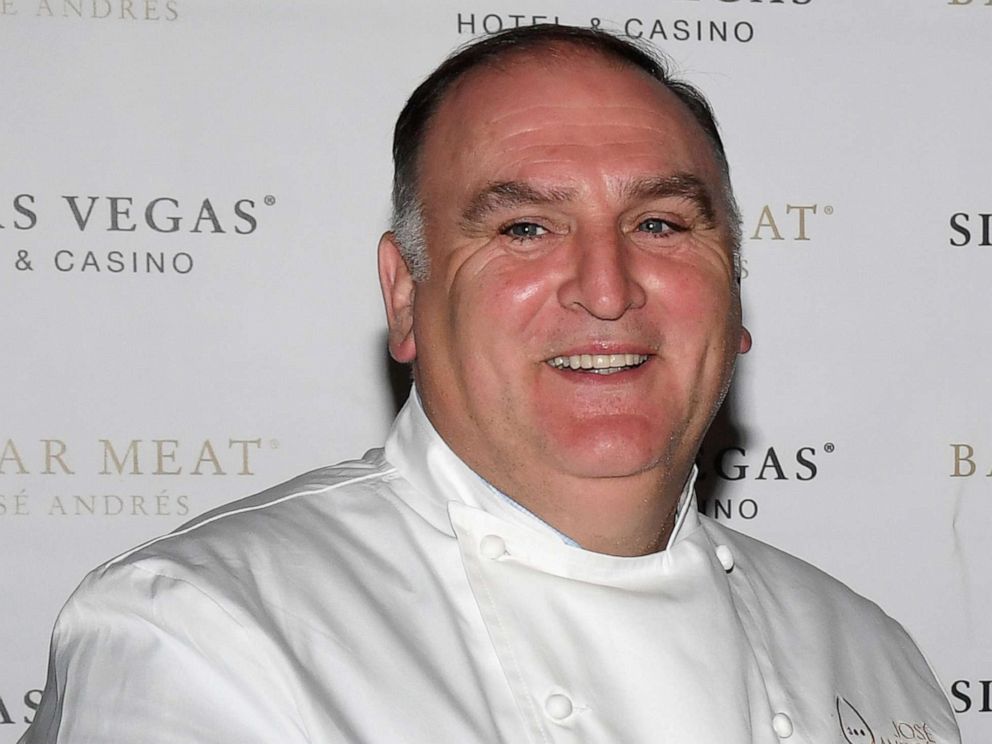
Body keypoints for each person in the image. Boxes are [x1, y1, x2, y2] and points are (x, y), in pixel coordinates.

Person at [21, 25, 960, 744]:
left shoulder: (869, 652)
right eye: (523, 230)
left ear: (732, 291)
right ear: (405, 297)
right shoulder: (203, 633)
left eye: (664, 225)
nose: (607, 289)